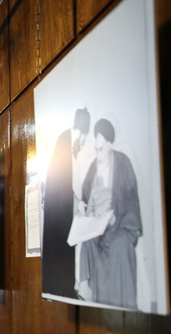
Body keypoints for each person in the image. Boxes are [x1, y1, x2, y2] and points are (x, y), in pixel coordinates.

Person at [78, 118, 143, 309]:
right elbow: (85, 198)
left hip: (118, 226)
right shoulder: (93, 167)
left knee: (121, 247)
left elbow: (131, 198)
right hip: (97, 230)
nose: (99, 155)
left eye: (102, 149)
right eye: (96, 150)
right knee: (87, 244)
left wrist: (116, 219)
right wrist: (83, 209)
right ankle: (90, 301)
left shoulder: (123, 163)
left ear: (110, 144)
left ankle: (122, 307)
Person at [42, 108, 93, 298]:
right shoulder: (66, 140)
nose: (83, 140)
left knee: (66, 246)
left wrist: (78, 200)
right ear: (79, 129)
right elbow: (64, 182)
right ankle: (61, 287)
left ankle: (64, 286)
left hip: (62, 208)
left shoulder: (69, 142)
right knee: (63, 246)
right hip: (59, 211)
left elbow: (70, 183)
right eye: (84, 135)